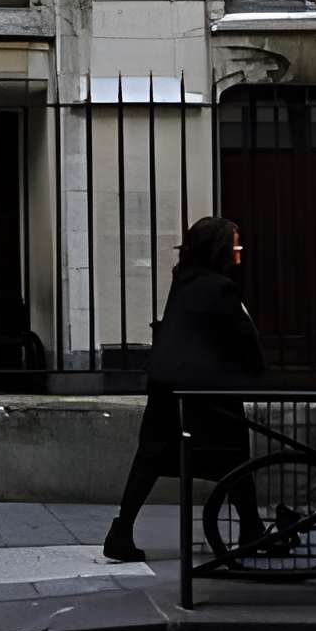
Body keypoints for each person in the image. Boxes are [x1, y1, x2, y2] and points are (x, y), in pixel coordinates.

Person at [103, 214, 264, 563]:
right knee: (232, 456)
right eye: (234, 243)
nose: (240, 250)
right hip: (204, 393)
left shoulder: (185, 279)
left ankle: (121, 530)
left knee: (149, 459)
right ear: (220, 249)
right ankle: (252, 528)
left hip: (167, 387)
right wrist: (253, 373)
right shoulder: (220, 288)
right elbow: (239, 337)